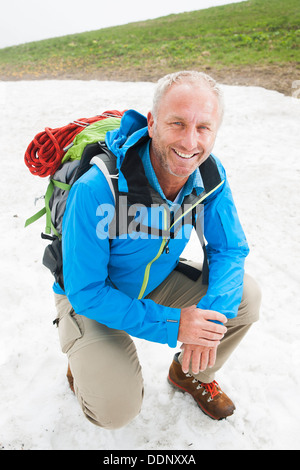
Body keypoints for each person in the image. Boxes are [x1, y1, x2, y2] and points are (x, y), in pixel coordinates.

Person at [53, 70, 261, 428]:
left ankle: (189, 372)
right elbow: (86, 290)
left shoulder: (209, 175)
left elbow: (230, 249)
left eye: (203, 128)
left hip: (155, 279)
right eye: (177, 123)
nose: (190, 141)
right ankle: (84, 358)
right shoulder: (97, 187)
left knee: (245, 295)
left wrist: (207, 321)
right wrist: (175, 324)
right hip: (91, 297)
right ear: (152, 123)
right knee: (114, 411)